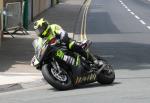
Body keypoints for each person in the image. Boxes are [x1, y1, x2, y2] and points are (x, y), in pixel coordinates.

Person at [33, 18, 102, 68]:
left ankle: (94, 60)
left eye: (40, 30)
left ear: (44, 26)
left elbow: (63, 33)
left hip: (65, 44)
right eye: (37, 31)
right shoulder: (41, 39)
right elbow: (40, 47)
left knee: (72, 45)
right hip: (56, 51)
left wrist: (61, 39)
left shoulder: (53, 27)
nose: (39, 32)